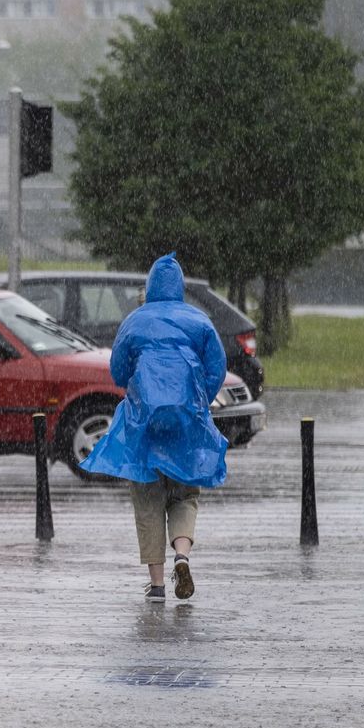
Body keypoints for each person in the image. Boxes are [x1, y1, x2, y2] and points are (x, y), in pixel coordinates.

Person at [80, 252, 228, 602]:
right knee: (184, 495)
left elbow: (117, 371)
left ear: (149, 288)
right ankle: (182, 555)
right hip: (186, 425)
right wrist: (197, 400)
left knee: (147, 498)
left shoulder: (135, 320)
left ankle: (158, 584)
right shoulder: (199, 320)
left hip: (144, 423)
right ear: (179, 287)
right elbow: (216, 369)